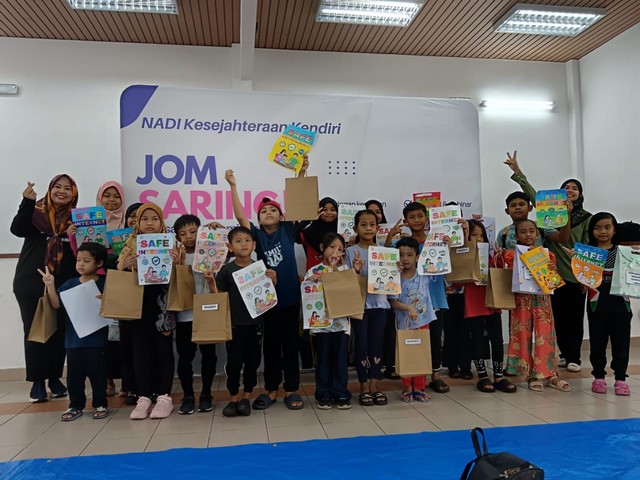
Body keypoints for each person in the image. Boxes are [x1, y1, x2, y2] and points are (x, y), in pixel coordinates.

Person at [225, 160, 310, 411]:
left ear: (282, 216)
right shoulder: (256, 236)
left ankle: (291, 389)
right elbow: (240, 215)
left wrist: (302, 173)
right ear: (258, 220)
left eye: (273, 210)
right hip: (266, 303)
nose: (269, 213)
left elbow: (299, 202)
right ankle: (271, 389)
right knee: (271, 349)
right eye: (264, 211)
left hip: (290, 300)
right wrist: (233, 186)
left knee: (290, 347)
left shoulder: (288, 230)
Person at [504, 151, 589, 372]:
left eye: (574, 188)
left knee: (574, 318)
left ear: (580, 194)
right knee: (556, 318)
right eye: (566, 187)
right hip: (549, 275)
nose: (570, 190)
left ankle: (573, 357)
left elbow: (586, 245)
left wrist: (586, 275)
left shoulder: (586, 218)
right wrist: (518, 172)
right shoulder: (546, 218)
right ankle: (562, 354)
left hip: (573, 273)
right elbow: (534, 196)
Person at [11, 175, 79, 403]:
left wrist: (74, 237)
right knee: (35, 331)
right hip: (31, 282)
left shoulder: (76, 220)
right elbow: (17, 229)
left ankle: (54, 379)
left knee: (59, 331)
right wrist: (27, 202)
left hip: (63, 282)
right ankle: (37, 382)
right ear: (50, 190)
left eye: (67, 188)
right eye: (57, 187)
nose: (62, 191)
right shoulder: (36, 213)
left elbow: (81, 255)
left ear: (74, 193)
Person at [117, 203, 176, 419]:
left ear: (161, 222)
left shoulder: (172, 244)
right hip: (136, 309)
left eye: (154, 219)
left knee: (163, 352)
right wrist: (123, 265)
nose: (149, 223)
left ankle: (164, 397)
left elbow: (179, 280)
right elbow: (119, 279)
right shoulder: (129, 245)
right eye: (144, 219)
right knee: (140, 353)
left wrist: (177, 262)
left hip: (162, 307)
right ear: (137, 223)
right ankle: (143, 397)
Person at [386, 202, 451, 393]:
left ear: (427, 218)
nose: (416, 220)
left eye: (420, 216)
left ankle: (435, 376)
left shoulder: (436, 241)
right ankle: (409, 381)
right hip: (407, 304)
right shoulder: (402, 244)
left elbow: (443, 264)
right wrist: (390, 237)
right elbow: (385, 259)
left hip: (433, 298)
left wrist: (448, 246)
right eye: (412, 217)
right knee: (412, 342)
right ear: (406, 221)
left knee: (434, 339)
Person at [40, 242, 110, 421]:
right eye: (78, 260)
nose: (81, 264)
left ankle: (100, 403)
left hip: (97, 340)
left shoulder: (105, 284)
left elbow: (115, 308)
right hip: (73, 340)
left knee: (98, 374)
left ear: (99, 263)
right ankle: (75, 405)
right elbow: (56, 304)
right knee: (74, 377)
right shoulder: (69, 284)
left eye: (86, 261)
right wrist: (50, 285)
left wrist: (107, 300)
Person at [504, 220, 570, 392]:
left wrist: (551, 269)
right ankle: (530, 374)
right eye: (523, 232)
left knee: (546, 334)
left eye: (532, 231)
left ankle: (551, 373)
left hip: (542, 299)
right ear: (516, 236)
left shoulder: (547, 254)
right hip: (521, 300)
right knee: (521, 333)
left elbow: (552, 281)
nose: (528, 234)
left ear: (537, 234)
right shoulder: (510, 255)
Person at [217, 226, 277, 417]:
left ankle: (246, 396)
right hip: (233, 324)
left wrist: (273, 279)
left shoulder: (261, 268)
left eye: (247, 240)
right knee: (234, 362)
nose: (243, 244)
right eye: (238, 241)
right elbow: (218, 296)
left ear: (254, 244)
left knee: (253, 361)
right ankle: (233, 397)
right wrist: (210, 281)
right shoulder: (226, 270)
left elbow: (269, 293)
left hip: (256, 324)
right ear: (230, 246)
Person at [172, 214, 219, 414]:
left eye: (193, 231)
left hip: (207, 311)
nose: (189, 236)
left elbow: (226, 252)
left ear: (201, 231)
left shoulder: (210, 251)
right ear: (177, 237)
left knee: (209, 356)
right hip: (184, 315)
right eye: (183, 234)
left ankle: (207, 393)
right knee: (185, 357)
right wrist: (177, 265)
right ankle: (188, 395)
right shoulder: (175, 256)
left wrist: (217, 231)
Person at [463, 220, 516, 393]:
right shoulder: (463, 255)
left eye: (481, 235)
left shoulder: (490, 255)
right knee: (477, 338)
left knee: (497, 339)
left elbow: (499, 272)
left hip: (493, 300)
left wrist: (500, 258)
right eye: (474, 235)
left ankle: (499, 376)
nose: (478, 238)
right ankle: (482, 376)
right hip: (473, 301)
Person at [585, 213, 634, 396]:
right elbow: (582, 277)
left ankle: (620, 378)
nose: (603, 231)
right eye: (597, 228)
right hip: (596, 303)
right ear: (591, 231)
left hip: (621, 304)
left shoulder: (623, 252)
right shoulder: (587, 253)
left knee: (621, 342)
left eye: (607, 227)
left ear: (614, 230)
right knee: (597, 342)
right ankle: (598, 376)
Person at [303, 233, 352, 410]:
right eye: (332, 247)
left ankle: (340, 392)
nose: (335, 252)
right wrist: (311, 282)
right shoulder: (313, 271)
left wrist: (351, 271)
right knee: (323, 360)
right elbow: (307, 294)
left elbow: (351, 294)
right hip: (321, 326)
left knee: (340, 360)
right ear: (322, 248)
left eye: (340, 249)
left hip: (341, 324)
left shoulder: (345, 270)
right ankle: (323, 393)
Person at [345, 209, 389, 406]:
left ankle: (375, 385)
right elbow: (346, 281)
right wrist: (355, 270)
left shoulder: (384, 253)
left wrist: (393, 270)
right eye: (363, 225)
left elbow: (390, 280)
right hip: (359, 306)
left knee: (377, 344)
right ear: (356, 229)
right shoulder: (349, 252)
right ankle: (363, 385)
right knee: (361, 345)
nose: (368, 228)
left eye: (372, 225)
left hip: (380, 304)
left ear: (378, 228)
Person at [389, 237, 436, 403]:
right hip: (405, 324)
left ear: (417, 257)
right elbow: (393, 303)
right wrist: (408, 308)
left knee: (421, 353)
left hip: (423, 321)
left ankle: (419, 387)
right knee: (407, 354)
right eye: (401, 255)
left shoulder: (424, 274)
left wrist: (448, 246)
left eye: (409, 255)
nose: (405, 258)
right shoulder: (395, 278)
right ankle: (407, 387)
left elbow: (442, 262)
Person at [118, 202, 142, 406]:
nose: (136, 220)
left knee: (148, 347)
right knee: (128, 346)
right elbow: (111, 267)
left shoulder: (162, 241)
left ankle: (152, 388)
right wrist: (123, 265)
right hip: (127, 297)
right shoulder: (120, 241)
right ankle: (131, 387)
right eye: (132, 215)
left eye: (140, 216)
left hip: (151, 299)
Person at [298, 197, 338, 271]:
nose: (329, 212)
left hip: (337, 275)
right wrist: (308, 219)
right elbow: (293, 235)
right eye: (324, 210)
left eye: (333, 210)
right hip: (314, 276)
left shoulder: (342, 233)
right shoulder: (309, 232)